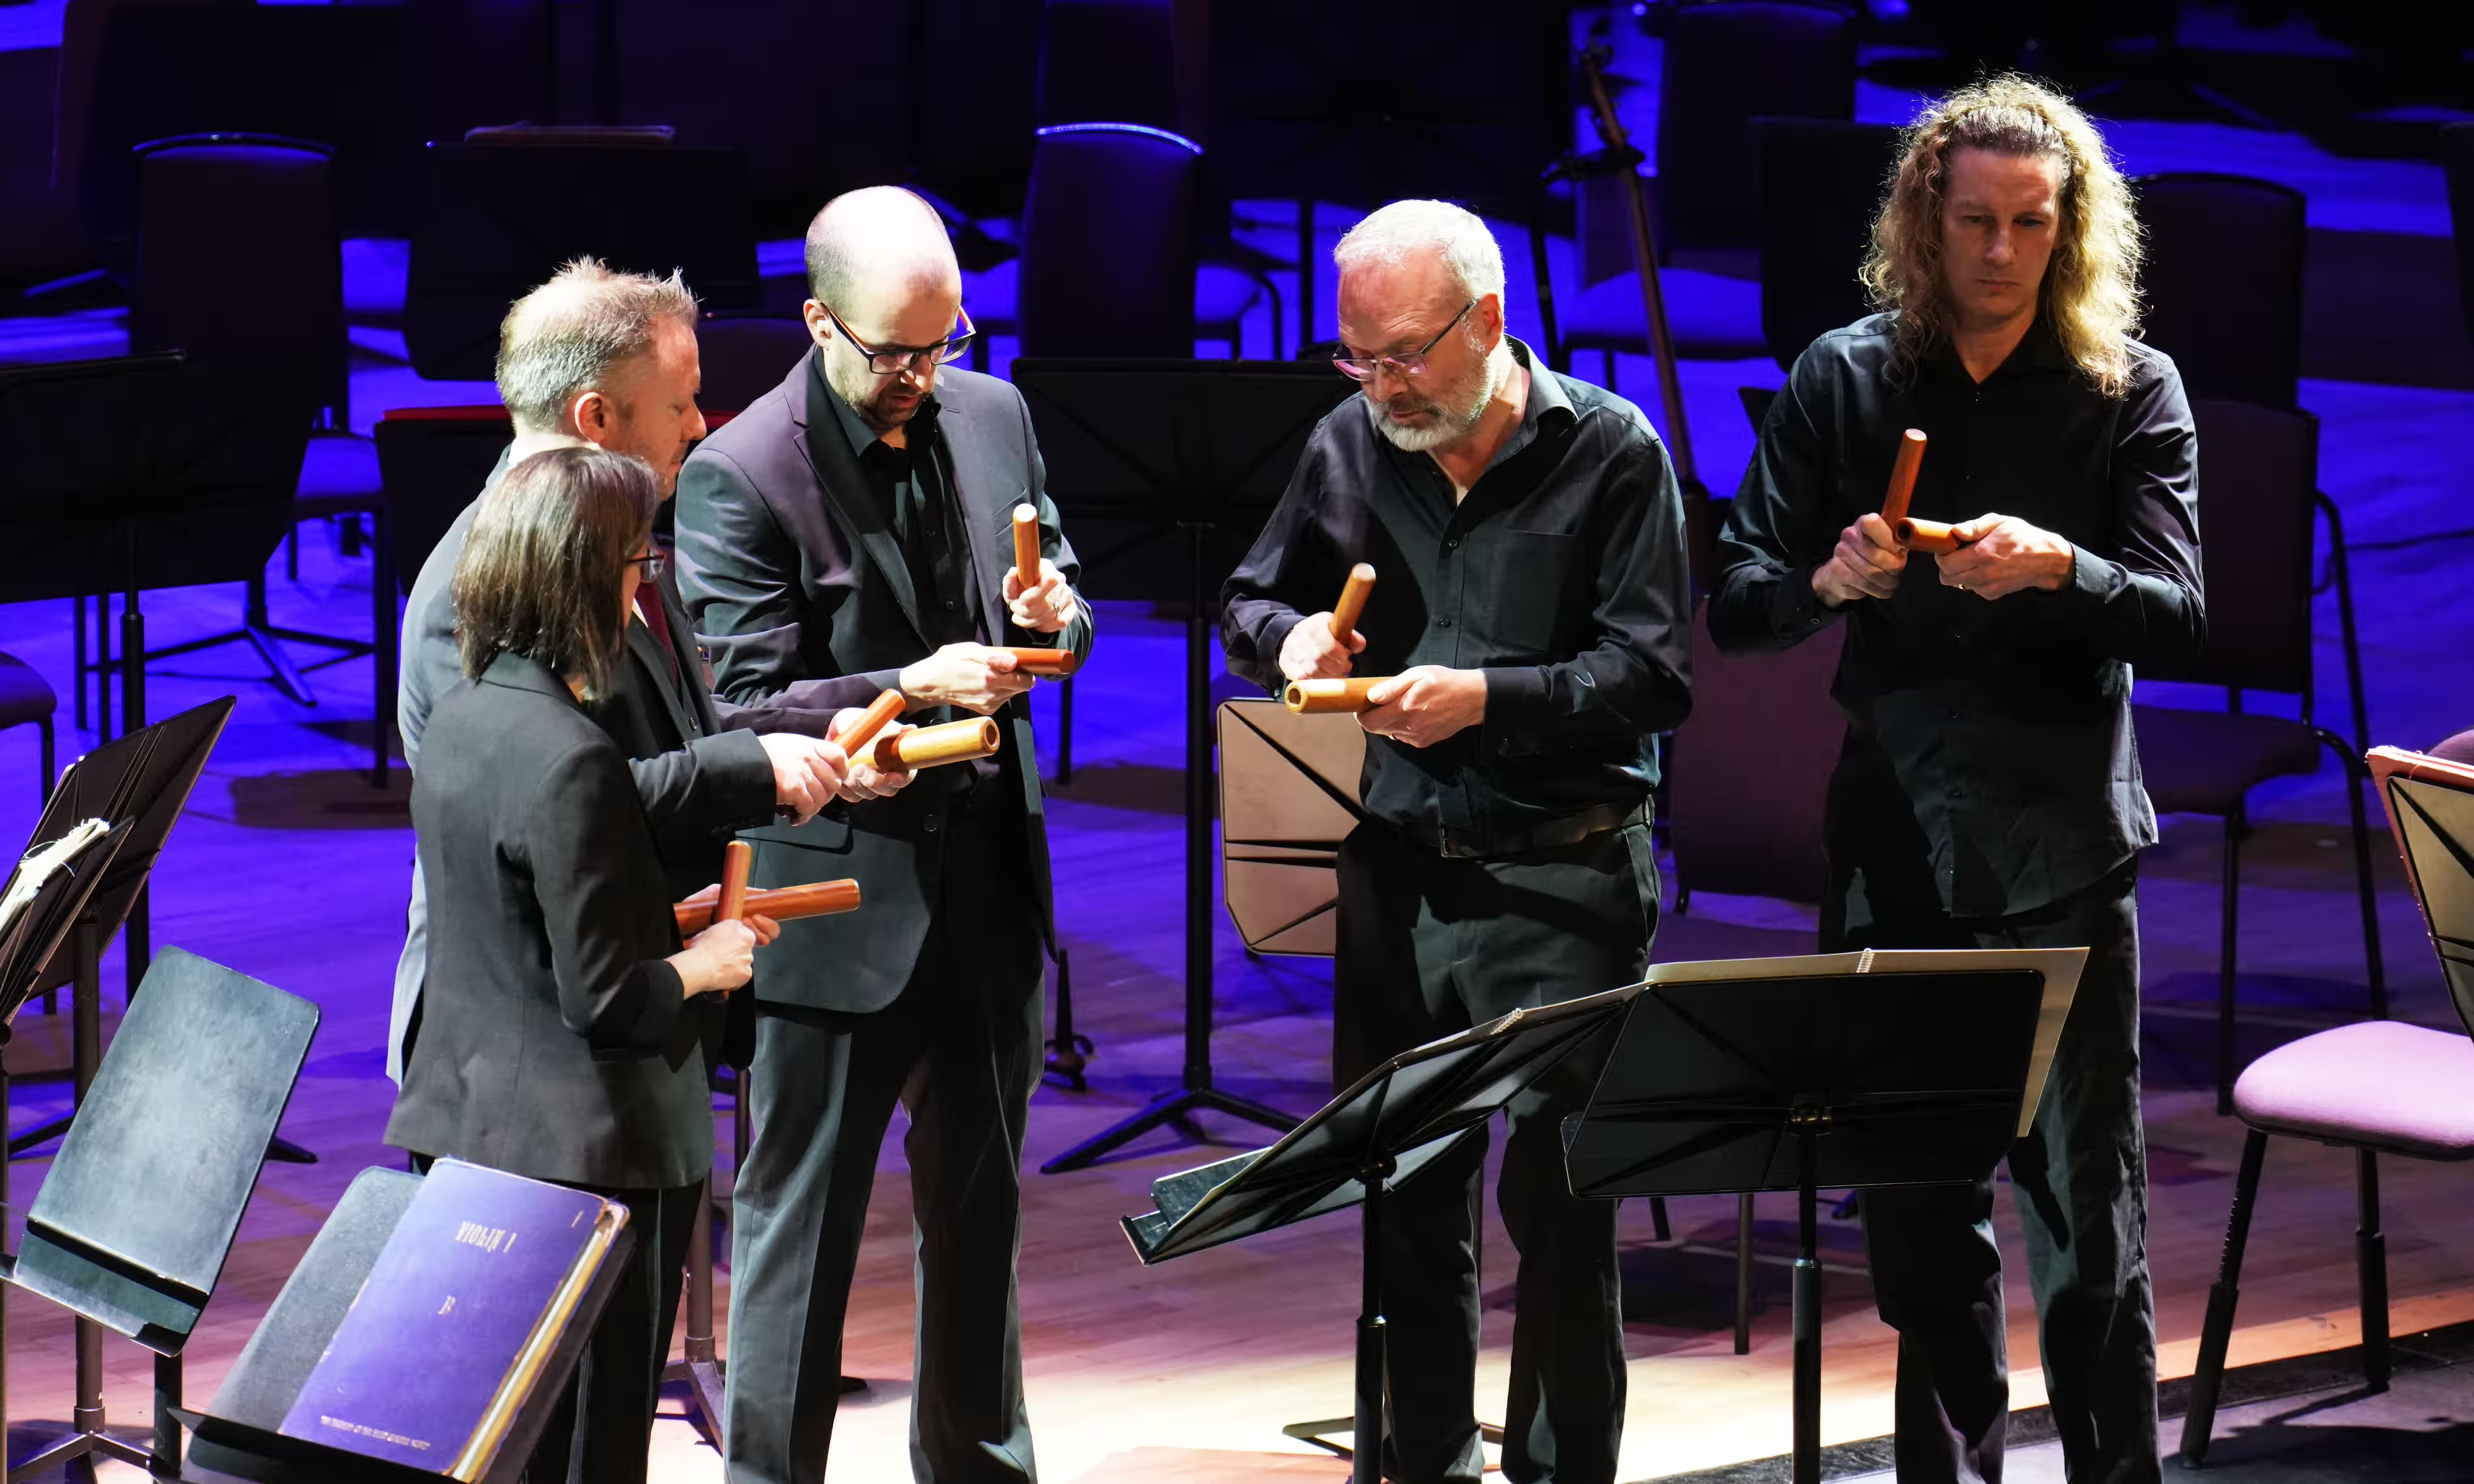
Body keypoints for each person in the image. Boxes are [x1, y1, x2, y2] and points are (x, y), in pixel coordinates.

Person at [1709, 76, 2203, 1484]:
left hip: (2061, 850)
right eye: (1974, 221)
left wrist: (2060, 565)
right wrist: (1826, 576)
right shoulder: (1845, 375)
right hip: (1894, 849)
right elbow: (1739, 599)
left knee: (2087, 1222)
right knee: (1918, 1219)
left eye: (2029, 224)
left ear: (2070, 230)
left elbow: (2177, 613)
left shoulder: (2128, 389)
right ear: (1925, 222)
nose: (1999, 252)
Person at [1220, 199, 1694, 1484]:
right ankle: (1418, 1463)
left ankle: (1559, 1472)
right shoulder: (1351, 440)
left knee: (1561, 1208)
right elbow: (1250, 599)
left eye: (1400, 355)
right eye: (1354, 358)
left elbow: (1653, 675)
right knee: (1405, 1200)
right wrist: (1291, 644)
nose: (1376, 384)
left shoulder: (1613, 452)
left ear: (1488, 322)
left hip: (1562, 873)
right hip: (1399, 871)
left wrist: (1488, 696)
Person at [673, 186, 1092, 1484]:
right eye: (893, 354)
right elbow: (739, 704)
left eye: (943, 342)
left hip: (986, 890)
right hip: (834, 912)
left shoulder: (994, 410)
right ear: (818, 324)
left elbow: (1062, 607)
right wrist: (913, 684)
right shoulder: (739, 471)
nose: (922, 375)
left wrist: (1053, 616)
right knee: (799, 1236)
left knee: (983, 1222)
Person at [389, 259, 890, 1084]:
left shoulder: (612, 536)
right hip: (523, 1046)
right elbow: (548, 806)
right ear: (595, 418)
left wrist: (823, 743)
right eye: (678, 403)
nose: (699, 427)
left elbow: (681, 728)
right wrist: (755, 770)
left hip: (632, 1000)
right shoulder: (476, 588)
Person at [386, 446, 773, 1484]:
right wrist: (713, 959)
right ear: (590, 579)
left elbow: (522, 922)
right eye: (637, 562)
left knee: (498, 1443)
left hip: (469, 1130)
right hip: (591, 1160)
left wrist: (656, 910)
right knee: (591, 1455)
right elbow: (607, 997)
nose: (646, 581)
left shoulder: (462, 723)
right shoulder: (575, 756)